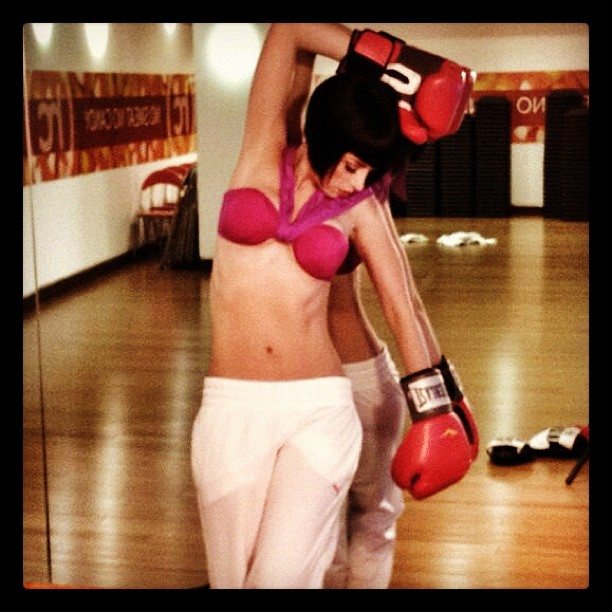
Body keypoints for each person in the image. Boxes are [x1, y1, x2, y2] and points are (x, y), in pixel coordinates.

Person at [191, 23, 477, 589]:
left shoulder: (362, 206)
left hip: (319, 409)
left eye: (370, 171)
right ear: (324, 140)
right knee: (232, 581)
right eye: (351, 165)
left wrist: (438, 407)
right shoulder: (260, 150)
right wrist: (398, 60)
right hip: (230, 410)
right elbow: (290, 31)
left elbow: (402, 304)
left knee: (281, 578)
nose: (357, 182)